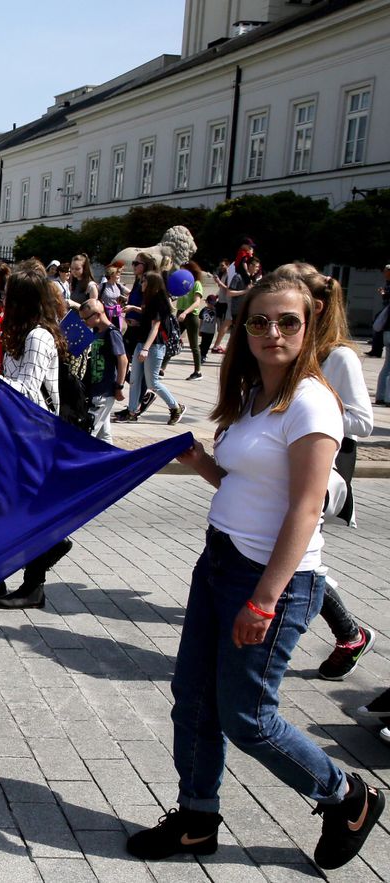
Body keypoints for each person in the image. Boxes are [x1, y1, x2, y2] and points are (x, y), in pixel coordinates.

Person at [127, 272, 383, 871]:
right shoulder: (253, 395)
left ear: (312, 322)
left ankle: (347, 796)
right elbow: (245, 483)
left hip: (273, 579)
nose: (272, 332)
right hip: (218, 562)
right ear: (243, 328)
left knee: (248, 718)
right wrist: (201, 463)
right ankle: (195, 820)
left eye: (287, 321)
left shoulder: (314, 404)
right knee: (193, 699)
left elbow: (305, 508)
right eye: (259, 321)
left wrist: (265, 599)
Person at [274, 264, 377, 679]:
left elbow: (363, 422)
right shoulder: (298, 349)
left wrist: (313, 414)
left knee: (297, 560)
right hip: (282, 467)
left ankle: (350, 633)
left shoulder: (340, 356)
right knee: (288, 557)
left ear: (313, 306)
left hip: (321, 469)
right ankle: (348, 632)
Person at [0, 266, 74, 610]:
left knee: (19, 508)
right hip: (21, 433)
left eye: (10, 296)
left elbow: (27, 389)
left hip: (36, 435)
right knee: (10, 506)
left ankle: (34, 580)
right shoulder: (23, 333)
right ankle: (2, 576)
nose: (5, 301)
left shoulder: (37, 337)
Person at [118, 271, 185, 425]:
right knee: (134, 379)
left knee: (152, 382)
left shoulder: (159, 301)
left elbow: (156, 326)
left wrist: (145, 349)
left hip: (154, 346)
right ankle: (132, 411)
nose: (141, 284)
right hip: (142, 341)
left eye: (144, 282)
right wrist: (134, 309)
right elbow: (147, 315)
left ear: (151, 284)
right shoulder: (149, 299)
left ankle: (176, 407)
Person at [78, 299, 127, 444]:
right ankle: (114, 464)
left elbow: (123, 360)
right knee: (104, 436)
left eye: (86, 318)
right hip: (95, 389)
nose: (84, 322)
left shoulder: (112, 333)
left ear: (98, 315)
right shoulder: (96, 332)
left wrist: (119, 386)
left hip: (103, 391)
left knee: (88, 432)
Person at [171, 260, 206, 380]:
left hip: (191, 316)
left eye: (183, 270)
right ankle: (161, 369)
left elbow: (197, 302)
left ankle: (198, 371)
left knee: (194, 345)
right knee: (171, 340)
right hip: (180, 313)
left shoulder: (196, 284)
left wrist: (185, 312)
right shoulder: (182, 283)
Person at [369, 263, 389, 358]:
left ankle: (376, 349)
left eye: (385, 271)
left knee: (379, 325)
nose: (384, 273)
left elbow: (387, 295)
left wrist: (383, 293)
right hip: (385, 308)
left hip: (387, 309)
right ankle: (376, 349)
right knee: (378, 325)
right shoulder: (387, 282)